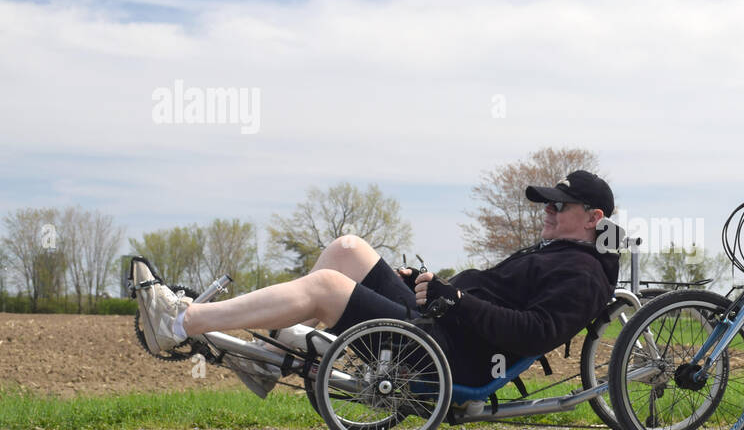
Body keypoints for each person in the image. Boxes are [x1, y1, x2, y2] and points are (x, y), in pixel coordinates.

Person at [133, 170, 620, 392]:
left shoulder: (583, 275)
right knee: (347, 250)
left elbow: (535, 332)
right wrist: (430, 286)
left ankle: (182, 322)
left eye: (559, 205)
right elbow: (490, 296)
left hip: (454, 359)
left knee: (327, 287)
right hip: (440, 327)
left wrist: (455, 302)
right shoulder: (556, 253)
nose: (547, 212)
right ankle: (280, 358)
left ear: (592, 216)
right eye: (547, 204)